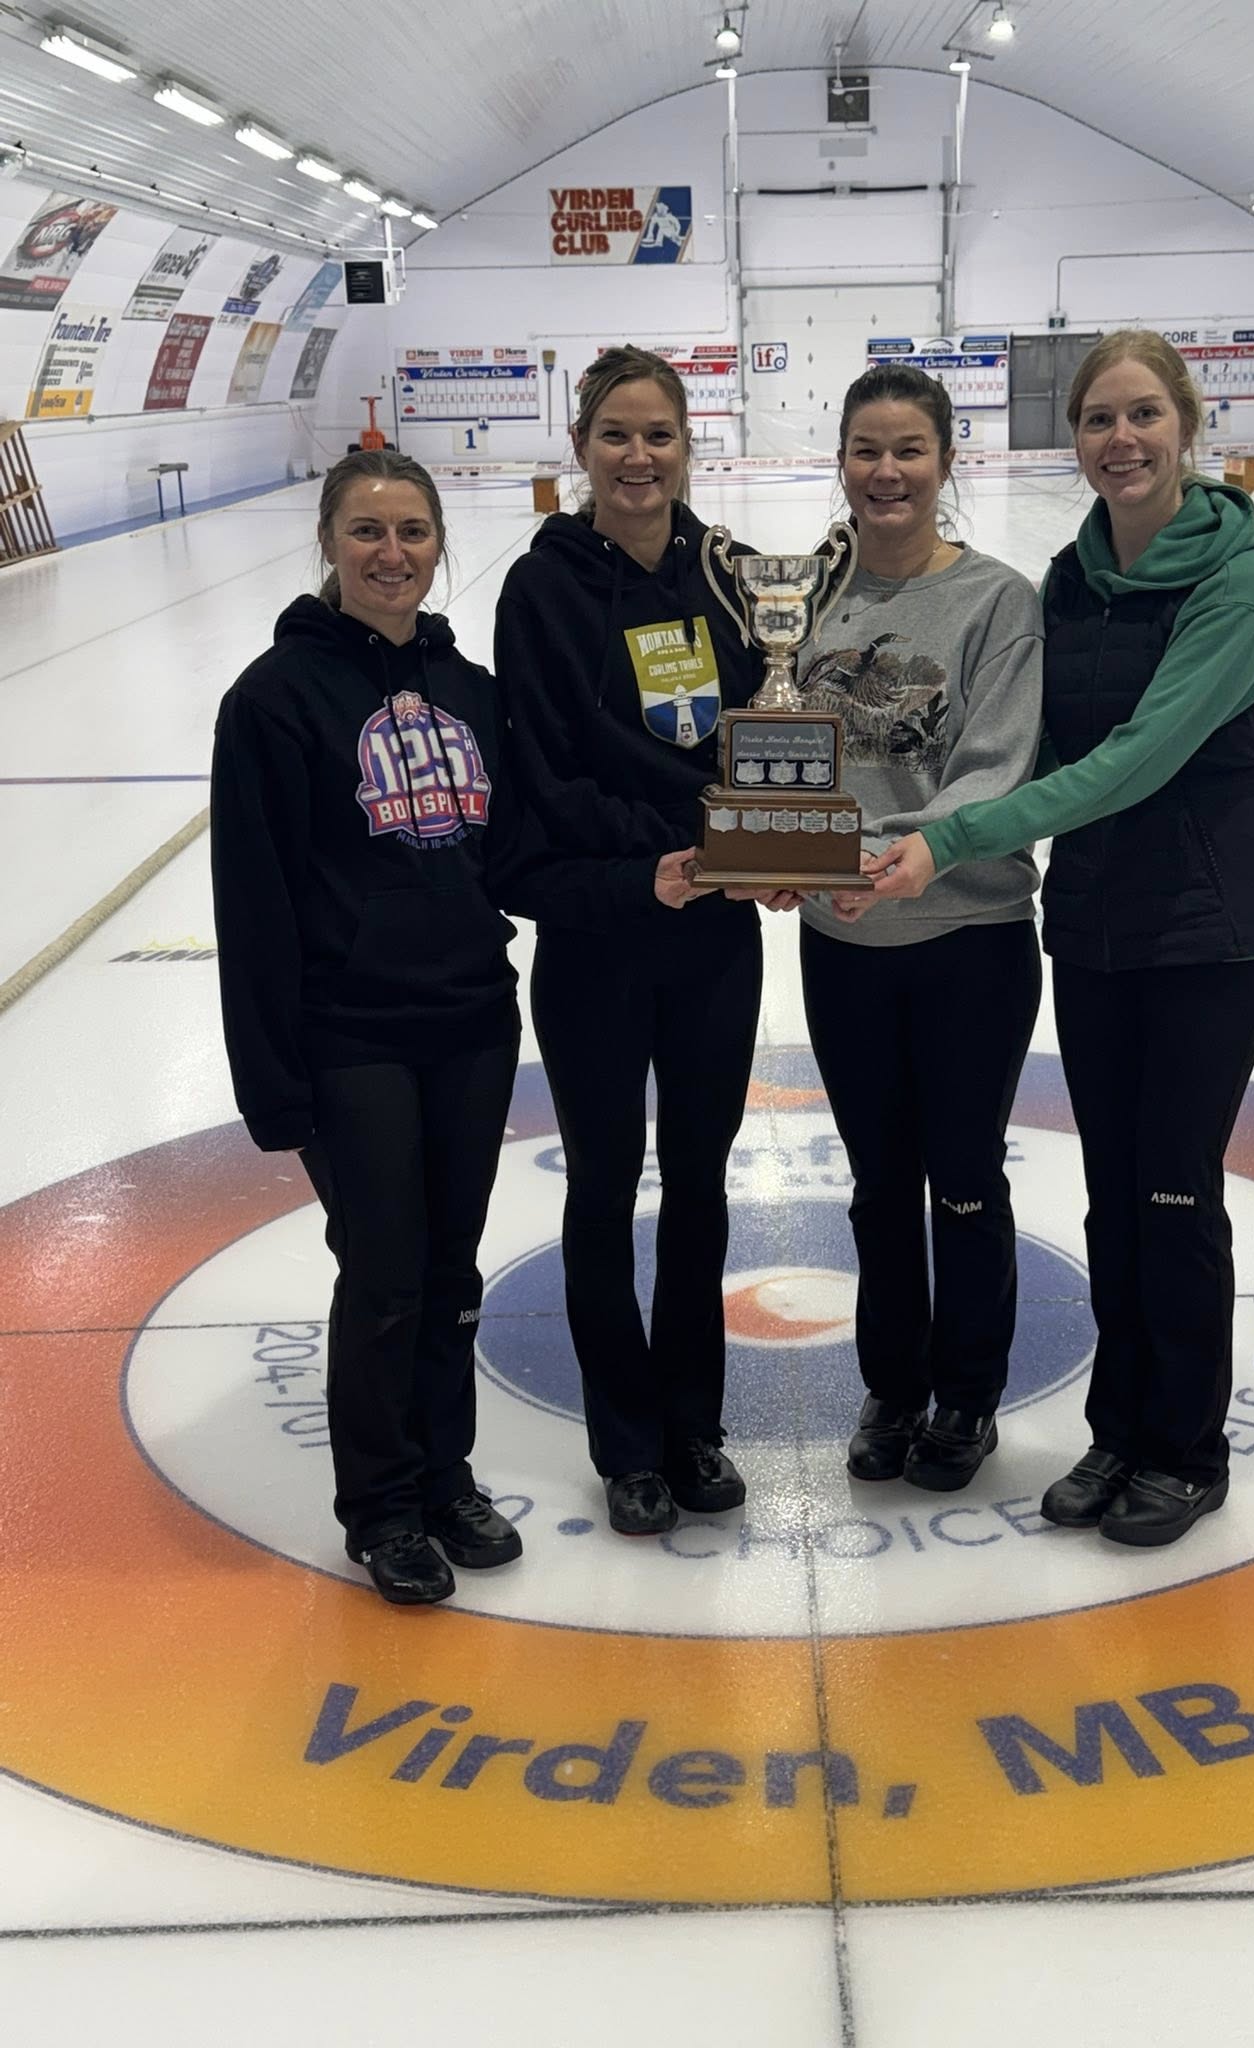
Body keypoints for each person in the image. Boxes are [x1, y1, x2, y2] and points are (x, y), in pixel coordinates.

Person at [871, 329, 1254, 1545]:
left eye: (1143, 417)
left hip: (1210, 928)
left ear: (1187, 426)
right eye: (1101, 420)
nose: (1121, 440)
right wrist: (884, 817)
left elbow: (1133, 760)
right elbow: (1040, 747)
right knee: (1115, 1195)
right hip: (1099, 924)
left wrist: (949, 844)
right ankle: (1120, 1429)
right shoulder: (1071, 576)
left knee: (1174, 1188)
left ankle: (1185, 1445)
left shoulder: (1238, 581)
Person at [210, 450, 525, 1607]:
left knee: (451, 1271)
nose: (391, 553)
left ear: (440, 542)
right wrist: (273, 1082)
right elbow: (253, 904)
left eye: (412, 530)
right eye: (366, 531)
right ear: (330, 545)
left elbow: (518, 851)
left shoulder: (474, 689)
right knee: (384, 1271)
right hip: (352, 1034)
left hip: (471, 1022)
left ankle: (448, 1475)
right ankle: (383, 1505)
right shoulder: (274, 698)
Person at [493, 345, 766, 1537]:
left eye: (658, 434)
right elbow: (546, 772)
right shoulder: (541, 587)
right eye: (615, 434)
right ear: (581, 445)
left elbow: (770, 731)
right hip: (604, 927)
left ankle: (693, 1422)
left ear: (686, 443)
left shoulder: (735, 577)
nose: (638, 457)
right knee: (605, 1186)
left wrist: (756, 842)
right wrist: (656, 856)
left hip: (711, 931)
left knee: (701, 1185)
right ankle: (626, 1440)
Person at [792, 362, 1045, 1492]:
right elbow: (784, 758)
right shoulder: (805, 605)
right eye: (866, 450)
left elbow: (995, 764)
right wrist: (782, 853)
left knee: (966, 1175)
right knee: (876, 1180)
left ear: (948, 462)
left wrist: (906, 855)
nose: (886, 472)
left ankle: (967, 1394)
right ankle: (893, 1385)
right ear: (841, 462)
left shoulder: (997, 600)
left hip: (967, 935)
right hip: (842, 941)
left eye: (908, 450)